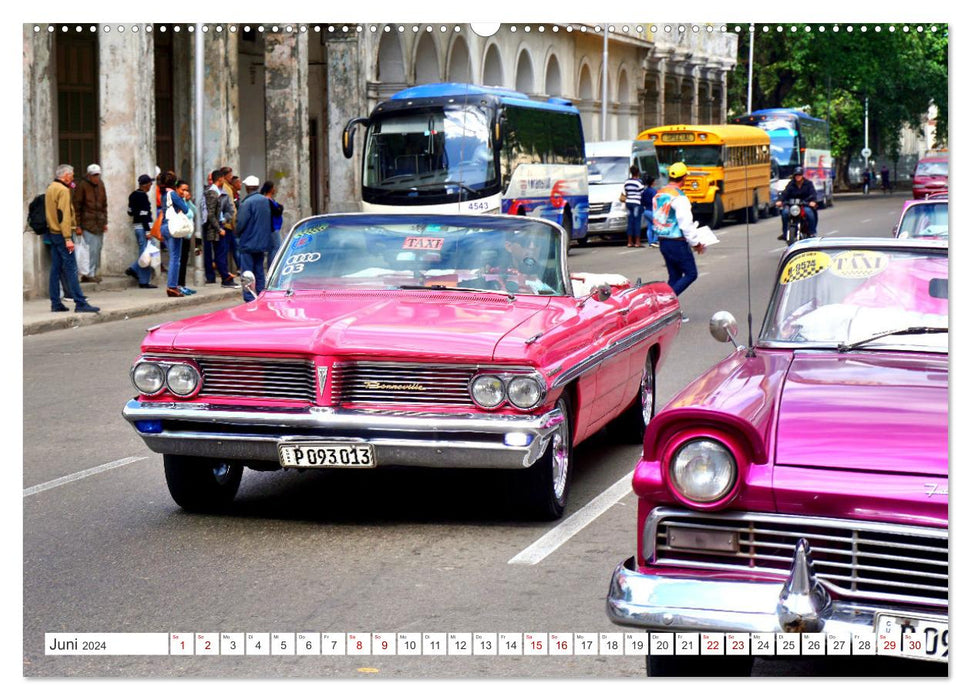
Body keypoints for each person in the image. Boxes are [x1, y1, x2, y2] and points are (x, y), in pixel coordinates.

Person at [652, 161, 705, 317]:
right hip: (677, 242)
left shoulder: (659, 193)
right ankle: (665, 305)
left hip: (663, 240)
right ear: (684, 178)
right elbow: (686, 224)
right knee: (691, 274)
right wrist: (696, 243)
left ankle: (669, 310)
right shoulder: (680, 198)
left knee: (675, 276)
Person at [44, 165, 99, 313]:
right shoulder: (62, 190)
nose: (73, 178)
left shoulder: (51, 187)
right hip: (62, 235)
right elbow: (64, 215)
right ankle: (80, 302)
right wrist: (68, 238)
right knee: (71, 268)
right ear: (66, 176)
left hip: (53, 233)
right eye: (72, 175)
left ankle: (55, 303)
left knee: (56, 268)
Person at [234, 180, 273, 302]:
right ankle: (261, 294)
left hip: (248, 242)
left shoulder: (247, 203)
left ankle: (249, 297)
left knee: (247, 273)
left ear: (247, 188)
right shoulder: (265, 201)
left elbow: (240, 223)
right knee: (259, 270)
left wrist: (237, 232)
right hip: (261, 242)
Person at [73, 163, 108, 283]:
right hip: (87, 223)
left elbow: (104, 204)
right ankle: (87, 273)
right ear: (89, 175)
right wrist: (77, 225)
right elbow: (76, 206)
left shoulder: (101, 185)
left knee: (97, 248)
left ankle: (92, 272)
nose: (96, 178)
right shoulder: (82, 185)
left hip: (99, 222)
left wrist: (105, 221)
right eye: (94, 175)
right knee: (89, 250)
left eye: (97, 175)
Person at [203, 169, 238, 287]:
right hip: (213, 227)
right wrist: (219, 229)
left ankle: (225, 277)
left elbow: (230, 209)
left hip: (220, 224)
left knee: (221, 252)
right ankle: (225, 277)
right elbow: (210, 214)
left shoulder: (223, 193)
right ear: (220, 179)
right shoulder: (211, 193)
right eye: (223, 178)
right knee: (218, 253)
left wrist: (225, 220)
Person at [158, 173, 190, 297]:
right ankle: (172, 286)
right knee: (176, 258)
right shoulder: (173, 194)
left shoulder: (164, 194)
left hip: (165, 226)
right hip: (173, 227)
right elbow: (185, 209)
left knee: (173, 257)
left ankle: (173, 285)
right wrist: (184, 198)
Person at [124, 174, 158, 289]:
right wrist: (148, 231)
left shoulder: (133, 195)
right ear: (146, 185)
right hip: (144, 228)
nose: (151, 186)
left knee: (145, 252)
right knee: (146, 254)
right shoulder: (142, 196)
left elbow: (130, 211)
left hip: (137, 226)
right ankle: (142, 279)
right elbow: (144, 215)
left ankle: (134, 269)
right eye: (150, 183)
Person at [776, 166, 818, 240]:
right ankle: (785, 233)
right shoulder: (791, 184)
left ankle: (812, 232)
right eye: (796, 175)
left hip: (804, 205)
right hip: (792, 205)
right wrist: (780, 201)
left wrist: (813, 201)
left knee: (809, 213)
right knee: (784, 213)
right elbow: (785, 194)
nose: (798, 177)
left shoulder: (808, 184)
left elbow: (813, 194)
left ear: (802, 175)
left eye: (799, 175)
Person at [175, 180, 197, 295]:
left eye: (186, 190)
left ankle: (182, 284)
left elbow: (194, 212)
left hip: (187, 235)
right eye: (182, 189)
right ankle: (178, 285)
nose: (185, 192)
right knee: (179, 261)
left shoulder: (185, 201)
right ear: (177, 189)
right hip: (180, 235)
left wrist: (189, 201)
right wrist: (184, 201)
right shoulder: (177, 201)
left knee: (184, 261)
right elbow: (184, 213)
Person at [261, 180, 285, 267]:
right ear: (271, 189)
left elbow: (280, 207)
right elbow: (277, 211)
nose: (274, 189)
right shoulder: (267, 201)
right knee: (275, 248)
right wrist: (280, 208)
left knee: (274, 248)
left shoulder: (271, 200)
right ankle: (272, 266)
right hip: (272, 228)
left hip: (276, 227)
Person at [623, 165, 645, 247]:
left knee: (630, 222)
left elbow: (625, 192)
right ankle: (637, 242)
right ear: (638, 172)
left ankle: (629, 242)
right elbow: (642, 193)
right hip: (636, 203)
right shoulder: (639, 182)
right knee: (637, 222)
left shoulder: (627, 182)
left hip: (628, 202)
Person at [640, 175, 658, 247]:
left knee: (650, 227)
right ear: (652, 182)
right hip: (652, 210)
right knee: (657, 226)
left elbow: (642, 201)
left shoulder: (644, 191)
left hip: (646, 210)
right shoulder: (653, 191)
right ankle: (655, 241)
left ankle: (650, 242)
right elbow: (656, 201)